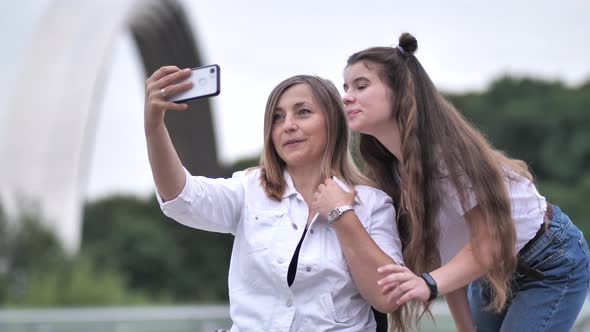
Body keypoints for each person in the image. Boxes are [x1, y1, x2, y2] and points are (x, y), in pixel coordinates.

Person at [340, 32, 590, 331]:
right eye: (345, 88)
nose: (347, 97)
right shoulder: (394, 172)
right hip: (485, 270)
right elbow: (445, 258)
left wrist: (429, 284)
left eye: (361, 85)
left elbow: (490, 241)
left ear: (399, 91)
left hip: (547, 258)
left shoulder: (448, 156)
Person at [144, 68, 408, 331]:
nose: (288, 125)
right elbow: (180, 198)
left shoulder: (372, 204)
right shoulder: (248, 189)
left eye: (303, 112)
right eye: (277, 117)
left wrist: (342, 214)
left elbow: (386, 297)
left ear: (334, 122)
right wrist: (154, 126)